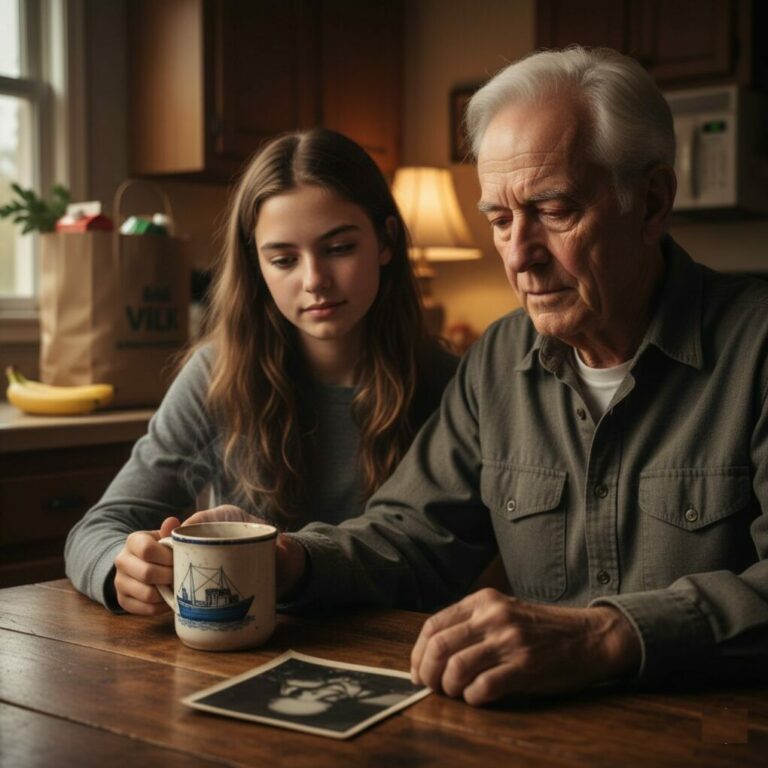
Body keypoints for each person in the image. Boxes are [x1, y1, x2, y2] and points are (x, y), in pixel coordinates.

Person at [253, 46, 766, 704]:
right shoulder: (498, 361)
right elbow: (412, 536)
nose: (520, 256)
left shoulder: (756, 350)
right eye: (499, 219)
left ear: (651, 202)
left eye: (554, 212)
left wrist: (603, 638)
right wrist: (290, 561)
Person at [64, 128, 457, 614]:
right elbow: (97, 529)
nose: (314, 280)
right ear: (257, 265)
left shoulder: (451, 385)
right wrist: (119, 567)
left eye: (339, 248)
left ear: (386, 241)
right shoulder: (218, 373)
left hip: (402, 654)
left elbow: (438, 563)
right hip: (248, 654)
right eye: (284, 259)